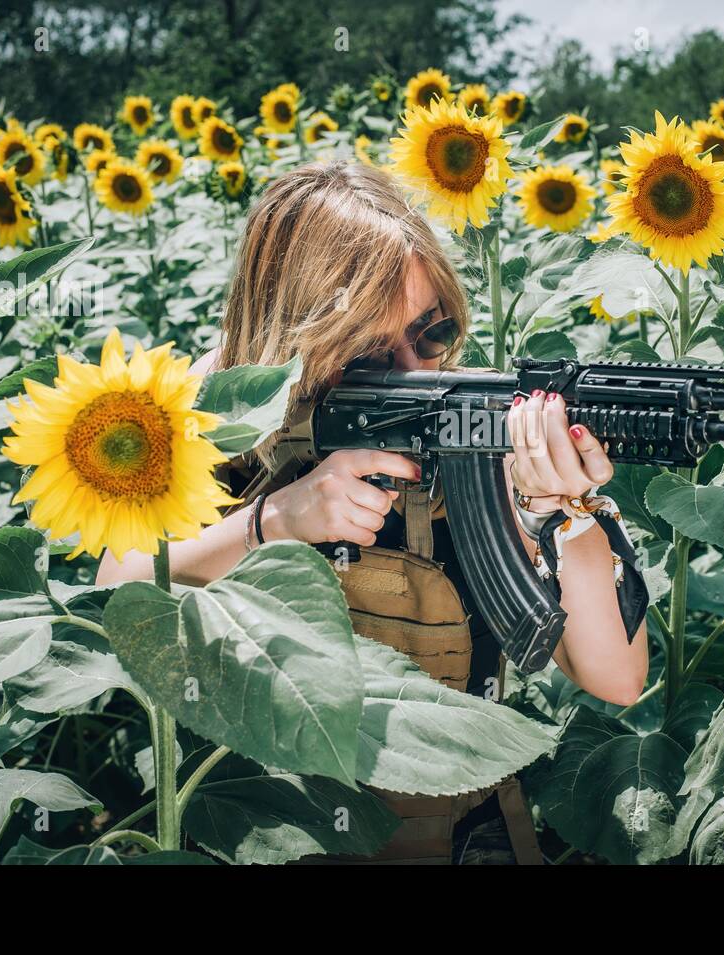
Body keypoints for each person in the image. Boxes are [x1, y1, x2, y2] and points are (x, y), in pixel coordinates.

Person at [96, 159, 649, 863]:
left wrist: (566, 511)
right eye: (367, 354)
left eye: (432, 333)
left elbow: (617, 678)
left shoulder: (471, 431)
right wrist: (274, 520)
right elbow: (110, 603)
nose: (416, 375)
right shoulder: (204, 418)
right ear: (285, 337)